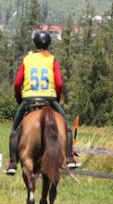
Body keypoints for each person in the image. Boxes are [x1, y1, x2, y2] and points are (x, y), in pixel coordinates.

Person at [5, 30, 78, 175]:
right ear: (49, 43)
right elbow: (59, 83)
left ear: (35, 44)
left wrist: (20, 98)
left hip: (29, 99)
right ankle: (70, 157)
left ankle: (12, 163)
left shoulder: (27, 59)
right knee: (67, 127)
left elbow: (17, 83)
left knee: (14, 130)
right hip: (49, 98)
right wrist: (56, 98)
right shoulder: (52, 60)